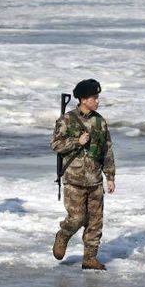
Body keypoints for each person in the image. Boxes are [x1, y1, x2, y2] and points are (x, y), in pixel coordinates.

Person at [51, 78, 116, 270]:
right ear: (84, 99)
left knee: (95, 222)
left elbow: (107, 150)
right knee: (77, 218)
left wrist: (110, 176)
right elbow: (55, 145)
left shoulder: (100, 121)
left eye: (97, 97)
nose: (97, 101)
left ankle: (90, 258)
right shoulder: (67, 120)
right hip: (74, 179)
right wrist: (76, 142)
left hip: (95, 180)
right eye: (94, 97)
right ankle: (63, 235)